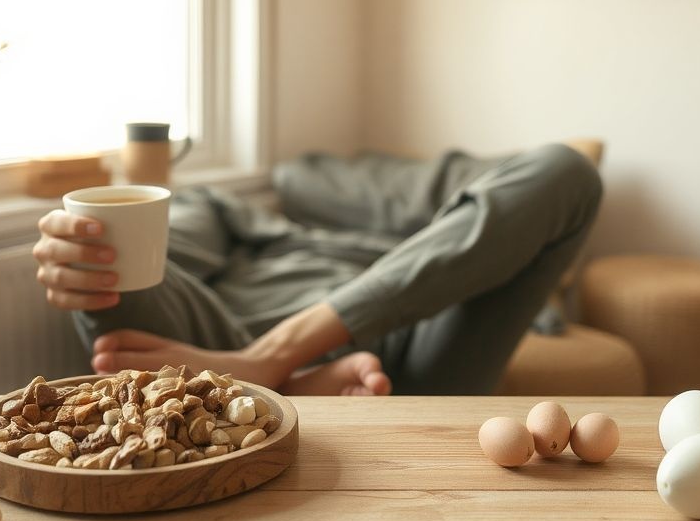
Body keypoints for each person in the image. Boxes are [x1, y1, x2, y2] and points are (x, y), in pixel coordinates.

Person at [32, 144, 602, 396]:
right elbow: (169, 242)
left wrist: (269, 359)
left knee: (568, 170)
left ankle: (271, 369)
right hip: (213, 346)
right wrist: (77, 251)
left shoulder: (438, 248)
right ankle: (284, 388)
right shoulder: (234, 216)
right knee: (105, 255)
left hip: (405, 350)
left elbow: (547, 189)